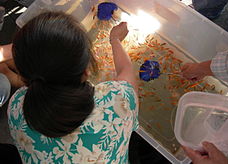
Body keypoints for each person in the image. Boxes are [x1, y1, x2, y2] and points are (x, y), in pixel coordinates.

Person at [7, 12, 138, 163]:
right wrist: (115, 40)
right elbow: (126, 71)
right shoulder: (117, 102)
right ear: (86, 71)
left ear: (23, 74)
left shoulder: (16, 106)